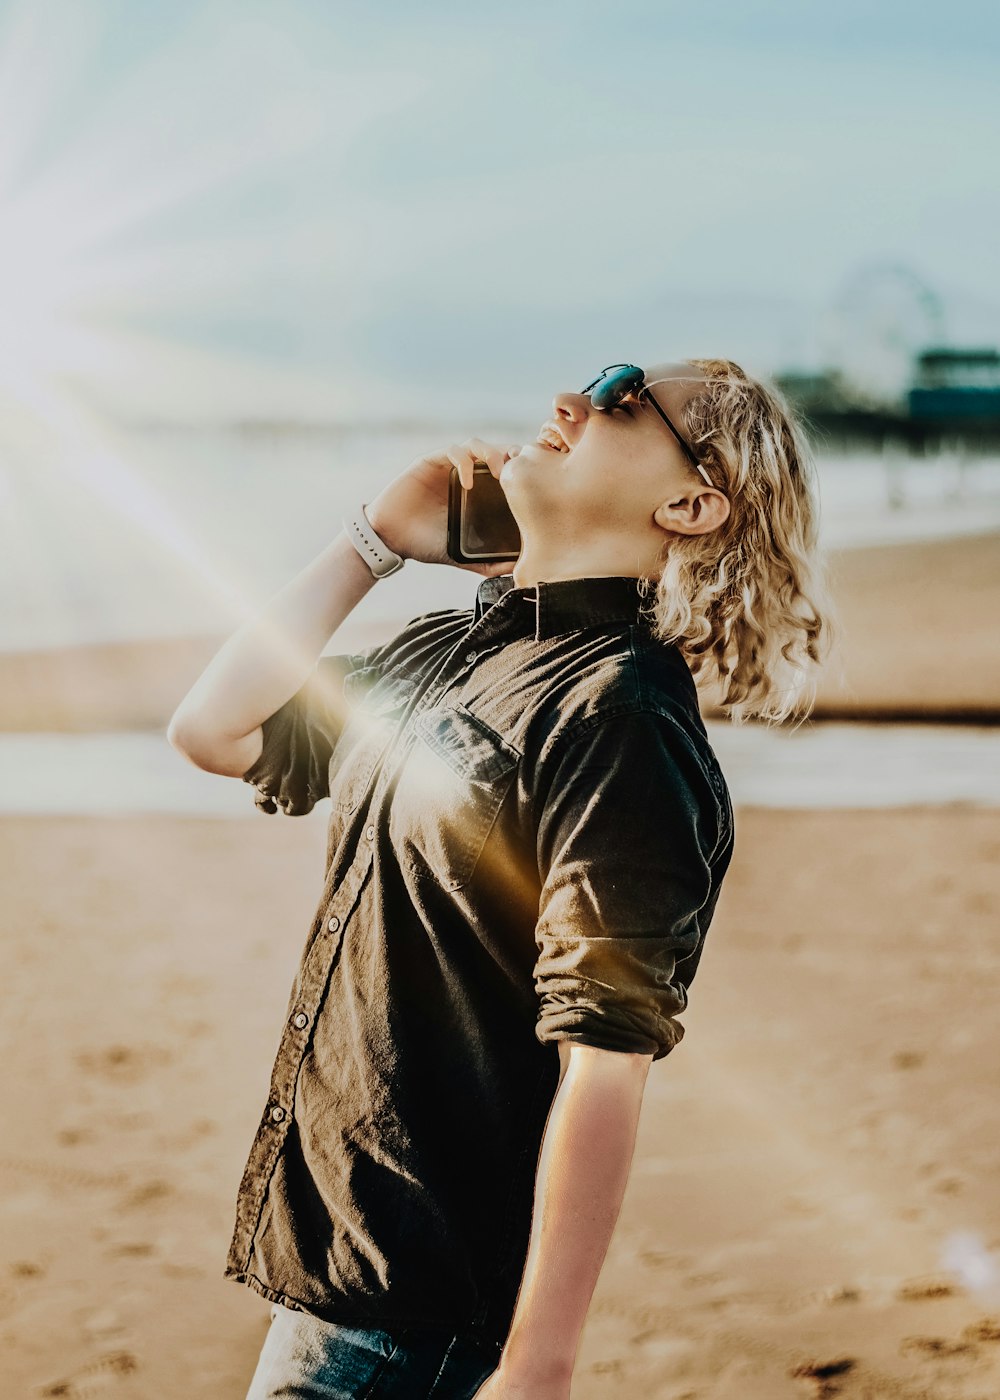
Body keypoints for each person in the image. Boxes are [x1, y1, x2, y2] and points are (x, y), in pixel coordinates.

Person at [167, 358, 832, 1399]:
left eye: (620, 400)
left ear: (692, 502)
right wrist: (369, 544)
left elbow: (606, 1059)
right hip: (330, 1265)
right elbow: (214, 730)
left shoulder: (619, 717)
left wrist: (537, 1364)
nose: (568, 402)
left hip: (413, 1320)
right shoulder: (444, 648)